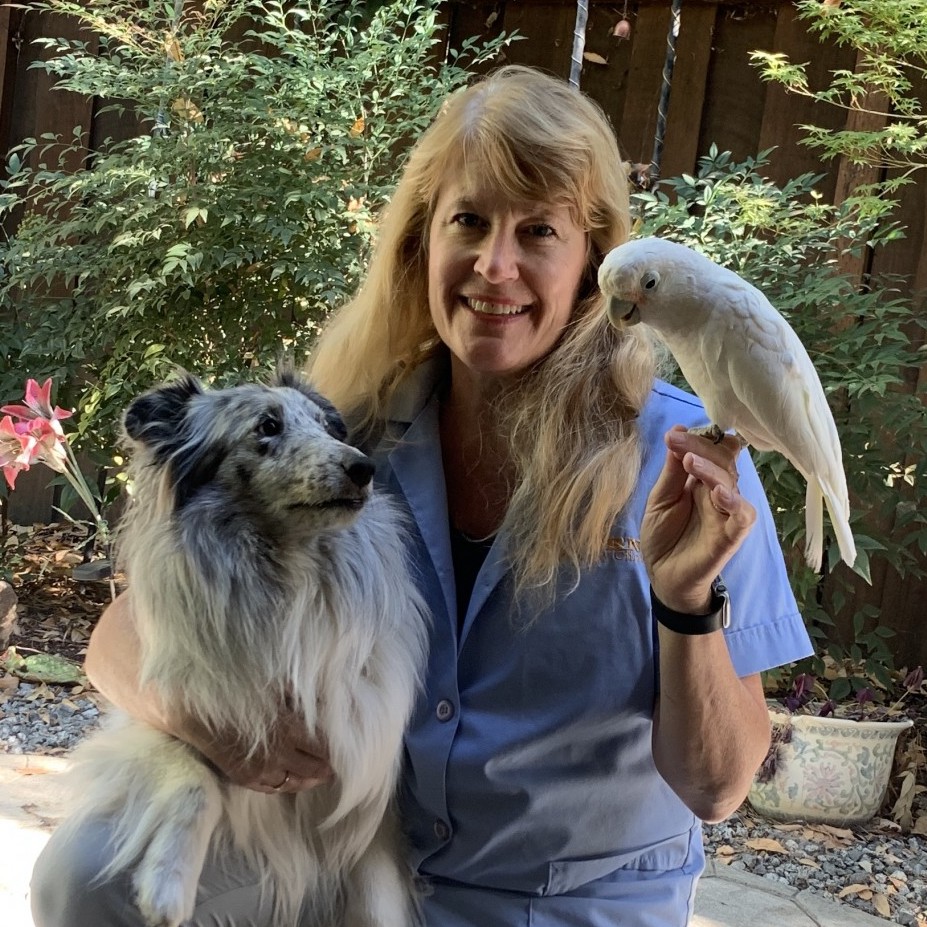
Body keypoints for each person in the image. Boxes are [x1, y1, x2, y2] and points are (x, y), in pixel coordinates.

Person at [32, 65, 813, 926]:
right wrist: (198, 716)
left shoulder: (683, 460)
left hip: (564, 903)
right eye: (469, 221)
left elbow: (718, 785)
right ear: (420, 242)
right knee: (89, 872)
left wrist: (685, 602)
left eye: (539, 231)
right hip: (365, 872)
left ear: (592, 259)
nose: (496, 265)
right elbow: (118, 643)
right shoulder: (344, 437)